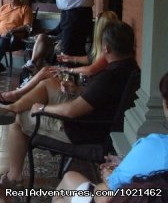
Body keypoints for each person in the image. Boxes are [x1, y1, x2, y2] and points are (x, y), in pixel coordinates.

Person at [0, 21, 139, 190]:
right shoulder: (130, 69)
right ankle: (10, 107)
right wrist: (77, 89)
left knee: (18, 120)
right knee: (49, 83)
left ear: (106, 49)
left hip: (79, 129)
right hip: (94, 120)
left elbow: (71, 111)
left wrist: (43, 109)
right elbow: (99, 96)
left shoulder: (109, 76)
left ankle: (14, 177)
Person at [53, 72, 168, 203]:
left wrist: (109, 179)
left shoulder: (155, 147)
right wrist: (126, 165)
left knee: (66, 183)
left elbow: (102, 196)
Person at [0, 11, 119, 104]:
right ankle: (19, 92)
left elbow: (91, 69)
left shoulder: (106, 49)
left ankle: (17, 94)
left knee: (46, 71)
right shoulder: (105, 45)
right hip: (84, 79)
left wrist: (67, 70)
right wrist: (71, 58)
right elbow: (90, 59)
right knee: (46, 68)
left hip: (83, 83)